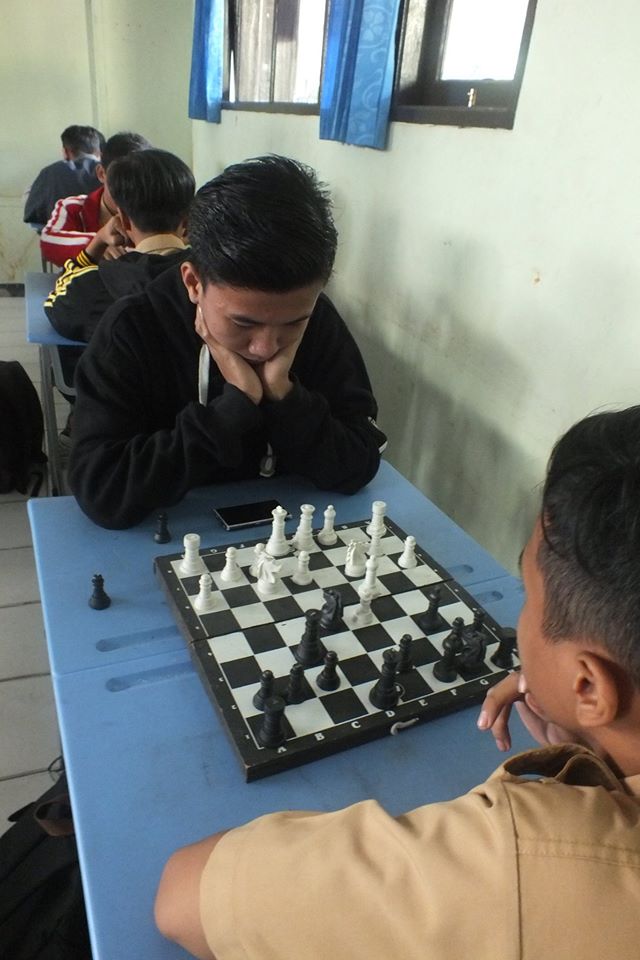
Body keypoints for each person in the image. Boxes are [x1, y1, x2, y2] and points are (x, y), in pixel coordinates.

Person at [154, 405, 640, 960]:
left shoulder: (529, 859)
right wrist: (601, 740)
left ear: (589, 686)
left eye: (527, 594)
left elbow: (182, 896)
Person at [68, 155, 387, 530]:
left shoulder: (319, 319)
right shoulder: (132, 329)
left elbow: (359, 463)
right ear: (193, 283)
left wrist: (284, 396)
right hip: (178, 539)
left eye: (292, 324)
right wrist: (231, 411)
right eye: (243, 322)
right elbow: (102, 491)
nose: (265, 347)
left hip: (291, 532)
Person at [44, 148, 195, 343]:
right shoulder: (211, 277)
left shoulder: (93, 289)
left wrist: (98, 242)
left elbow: (58, 294)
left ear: (122, 219)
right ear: (187, 221)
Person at [39, 131, 150, 267]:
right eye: (120, 179)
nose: (131, 188)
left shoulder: (157, 209)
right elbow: (48, 242)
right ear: (101, 173)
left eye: (141, 180)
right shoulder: (73, 208)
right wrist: (98, 242)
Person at [23, 125, 103, 228]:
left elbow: (33, 215)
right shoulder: (109, 170)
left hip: (60, 236)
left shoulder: (49, 173)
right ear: (98, 151)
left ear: (65, 152)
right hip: (104, 236)